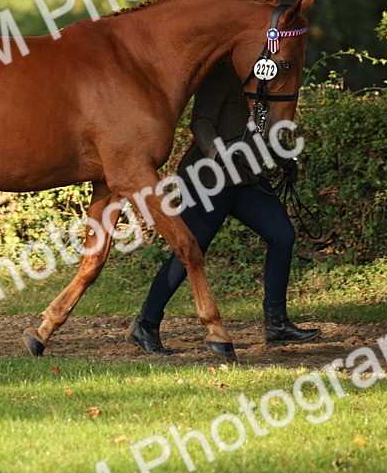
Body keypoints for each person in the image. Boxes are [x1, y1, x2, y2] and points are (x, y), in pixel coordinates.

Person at [128, 61, 320, 355]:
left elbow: (263, 128)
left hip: (246, 180)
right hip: (209, 179)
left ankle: (277, 324)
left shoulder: (264, 77)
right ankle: (146, 324)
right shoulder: (221, 72)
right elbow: (201, 122)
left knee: (282, 234)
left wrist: (284, 160)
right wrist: (218, 154)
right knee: (189, 251)